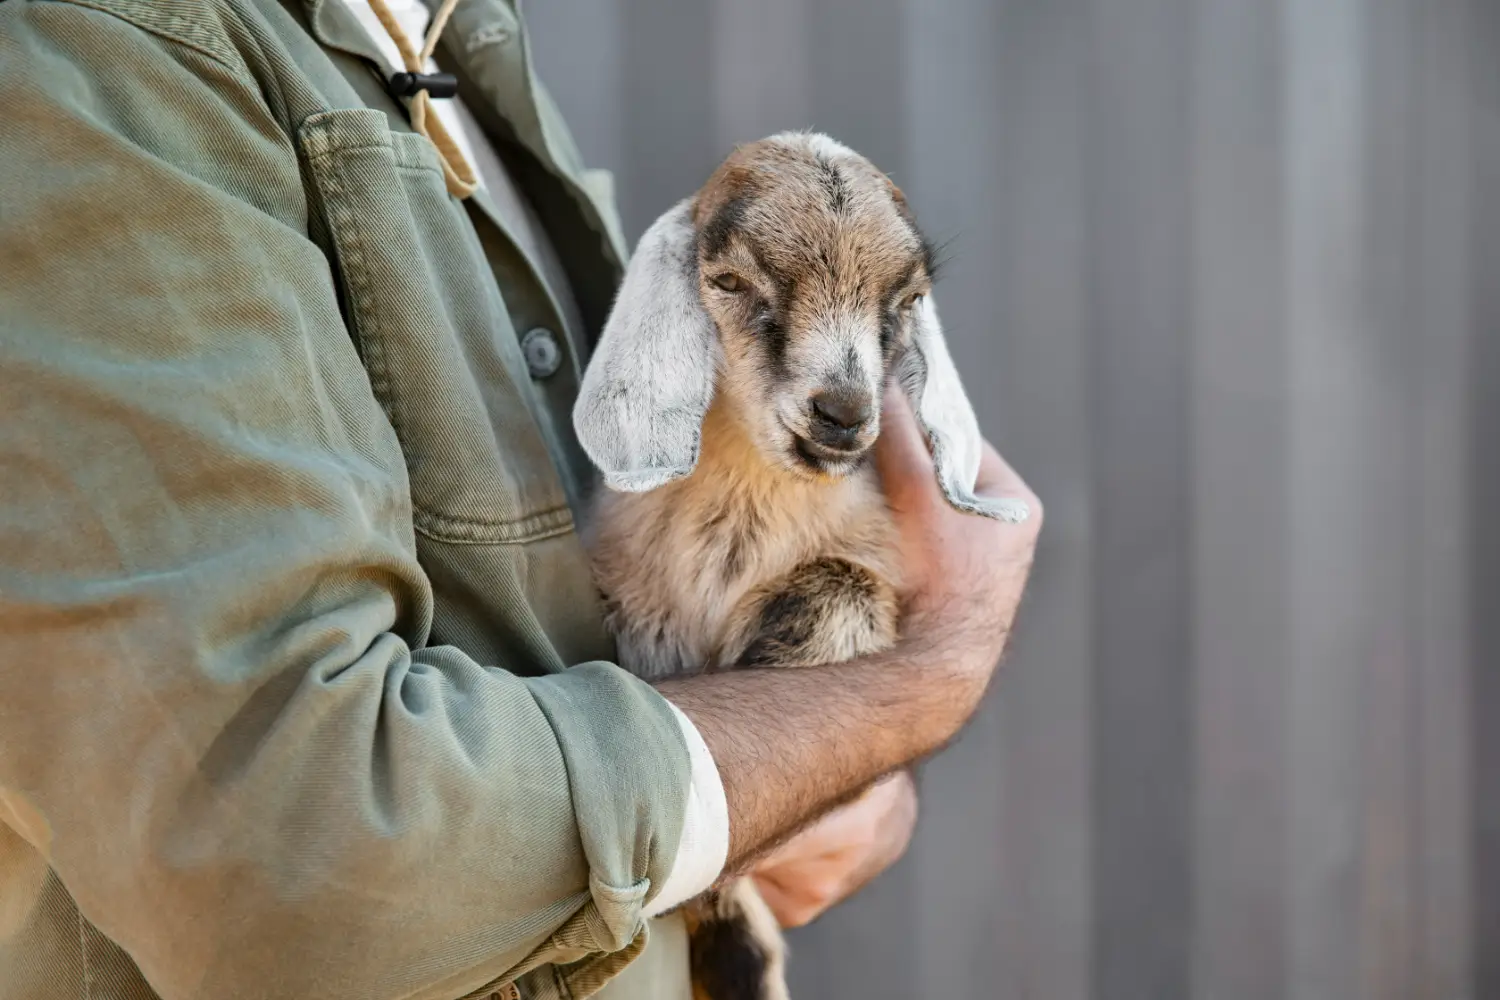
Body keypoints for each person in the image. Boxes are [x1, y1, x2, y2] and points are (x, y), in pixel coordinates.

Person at [0, 1, 1042, 998]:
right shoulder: (105, 49)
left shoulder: (453, 35)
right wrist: (921, 678)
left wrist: (813, 764)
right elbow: (294, 862)